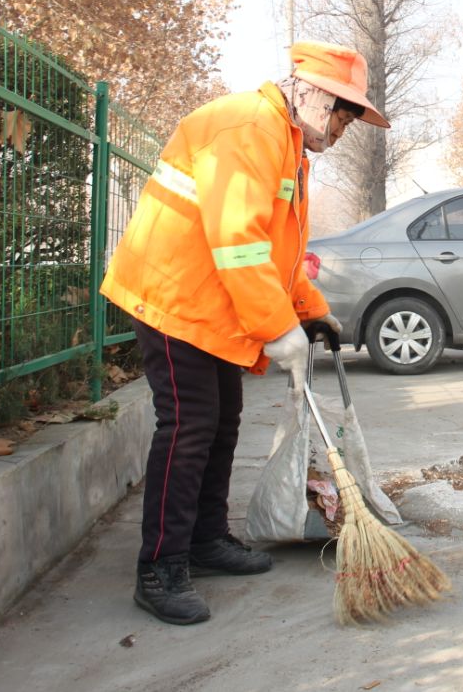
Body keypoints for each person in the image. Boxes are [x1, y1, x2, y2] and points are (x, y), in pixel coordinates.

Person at [99, 41, 390, 625]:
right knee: (187, 427)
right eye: (341, 112)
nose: (341, 129)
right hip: (173, 298)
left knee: (220, 422)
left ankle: (205, 540)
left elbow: (279, 251)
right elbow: (238, 242)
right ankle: (159, 567)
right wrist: (277, 328)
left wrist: (310, 309)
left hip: (207, 304)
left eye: (351, 119)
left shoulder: (286, 146)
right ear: (308, 93)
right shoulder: (247, 128)